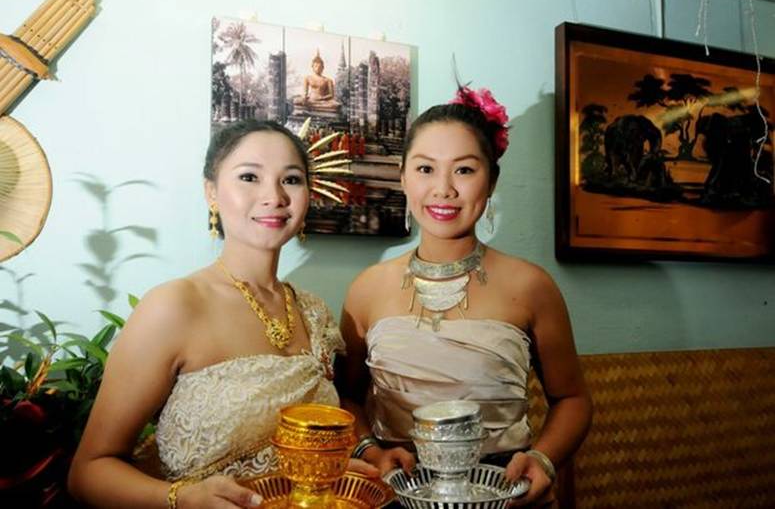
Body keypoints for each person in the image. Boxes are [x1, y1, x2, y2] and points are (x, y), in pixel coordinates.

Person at [68, 119, 376, 508]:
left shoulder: (313, 311)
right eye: (249, 177)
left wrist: (355, 457)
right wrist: (181, 498)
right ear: (211, 192)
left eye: (292, 180)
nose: (274, 196)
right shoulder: (173, 307)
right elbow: (89, 471)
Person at [337, 86, 593, 506]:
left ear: (491, 181)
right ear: (402, 176)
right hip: (395, 495)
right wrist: (369, 449)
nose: (443, 189)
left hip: (503, 495)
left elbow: (573, 398)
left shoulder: (532, 286)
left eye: (464, 170)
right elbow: (346, 396)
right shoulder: (366, 288)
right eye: (425, 169)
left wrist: (543, 462)